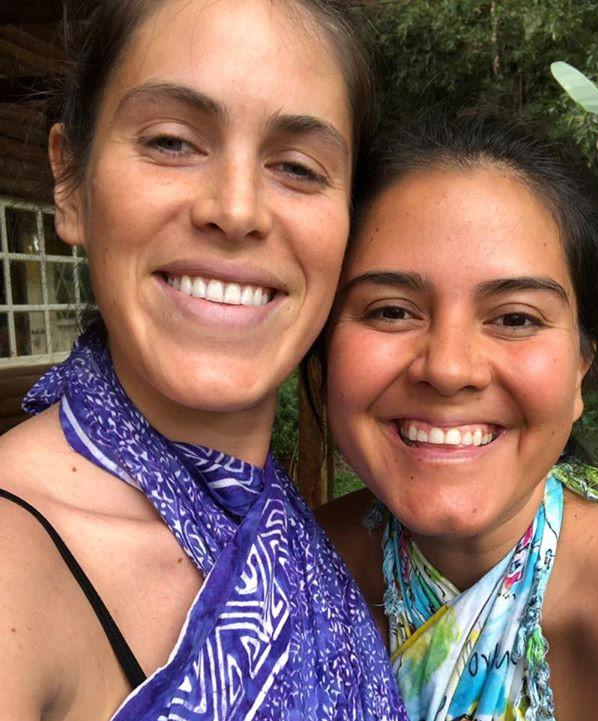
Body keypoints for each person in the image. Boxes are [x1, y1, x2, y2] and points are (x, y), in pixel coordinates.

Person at [0, 1, 407, 719]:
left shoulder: (313, 539)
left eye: (297, 167)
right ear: (70, 184)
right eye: (171, 142)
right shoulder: (15, 560)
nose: (237, 209)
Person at [318, 110, 598, 721]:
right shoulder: (276, 581)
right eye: (392, 311)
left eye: (515, 318)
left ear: (581, 367)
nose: (449, 368)